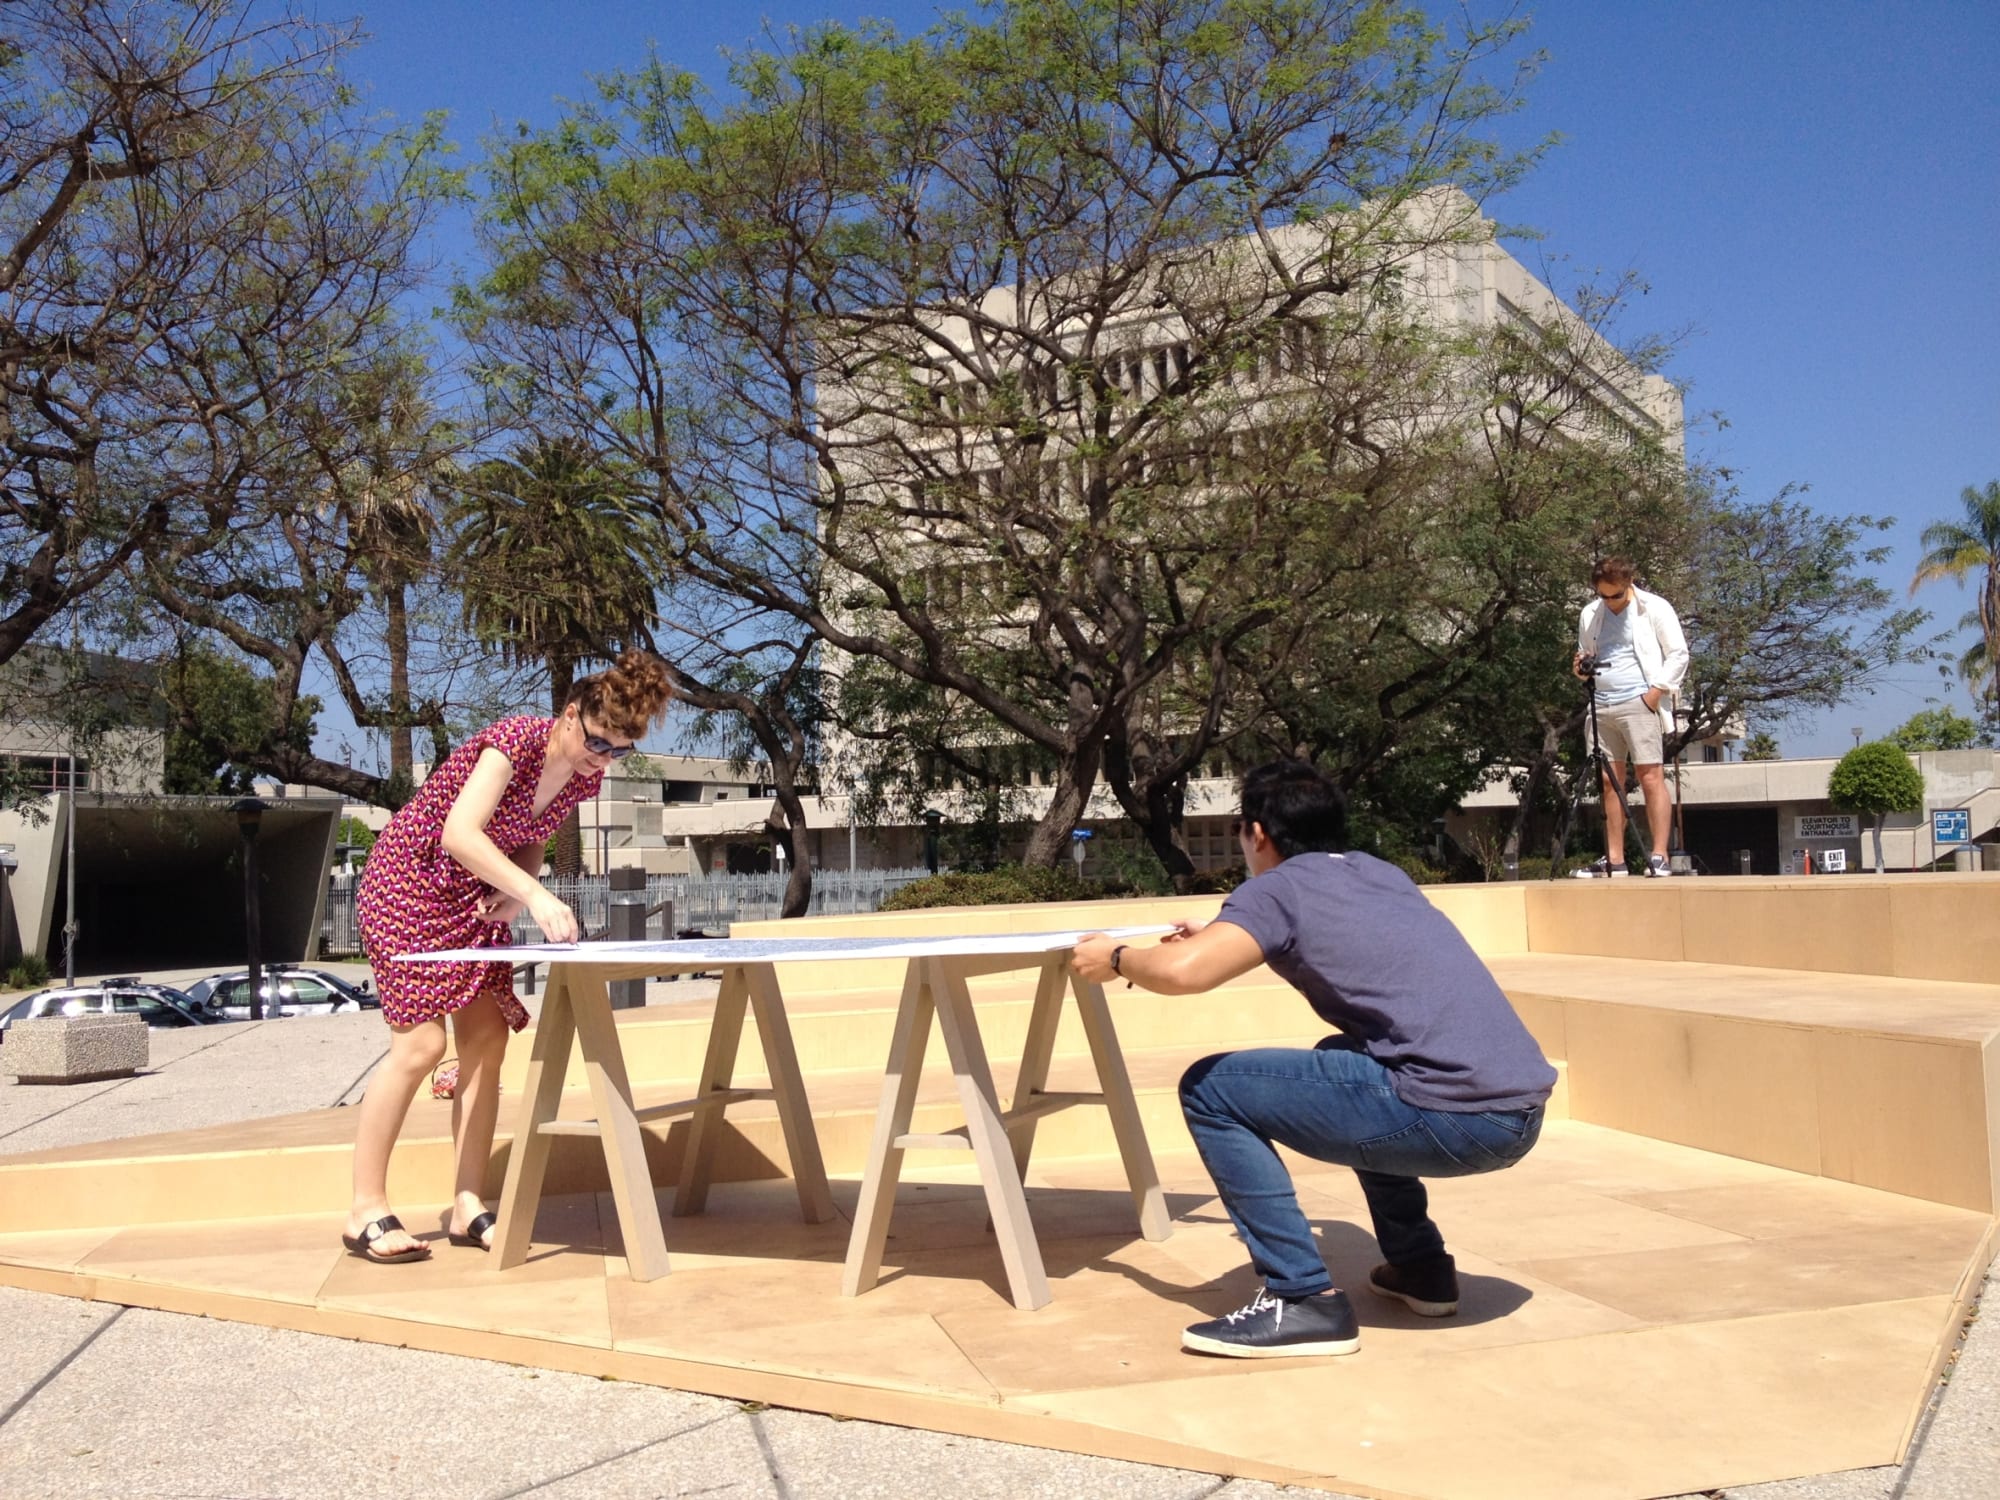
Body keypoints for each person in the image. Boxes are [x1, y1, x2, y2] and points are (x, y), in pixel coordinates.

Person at [1071, 760, 1556, 1358]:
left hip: (1450, 1117)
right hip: (1517, 1115)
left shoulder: (1276, 890)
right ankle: (1421, 1267)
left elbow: (1181, 974)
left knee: (1210, 1088)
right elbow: (1321, 931)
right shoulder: (1379, 875)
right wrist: (1222, 928)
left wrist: (1116, 957)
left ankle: (1301, 1300)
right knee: (1344, 1056)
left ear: (1258, 834)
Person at [341, 651, 674, 1263]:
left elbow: (532, 835)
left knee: (487, 1042)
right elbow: (459, 834)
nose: (604, 760)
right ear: (571, 716)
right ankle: (365, 1208)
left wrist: (517, 886)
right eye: (599, 743)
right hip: (408, 884)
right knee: (420, 1048)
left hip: (471, 896)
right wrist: (537, 896)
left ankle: (469, 1204)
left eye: (620, 751)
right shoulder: (514, 740)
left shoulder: (584, 774)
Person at [1570, 556, 1689, 878]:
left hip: (1639, 701)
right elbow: (1586, 654)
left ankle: (1660, 855)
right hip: (1601, 703)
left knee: (1650, 776)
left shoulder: (1655, 607)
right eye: (1603, 596)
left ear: (1629, 585)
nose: (1610, 602)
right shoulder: (1590, 613)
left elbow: (1678, 653)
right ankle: (1615, 859)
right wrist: (1581, 668)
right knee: (1609, 781)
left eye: (1616, 595)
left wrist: (1655, 693)